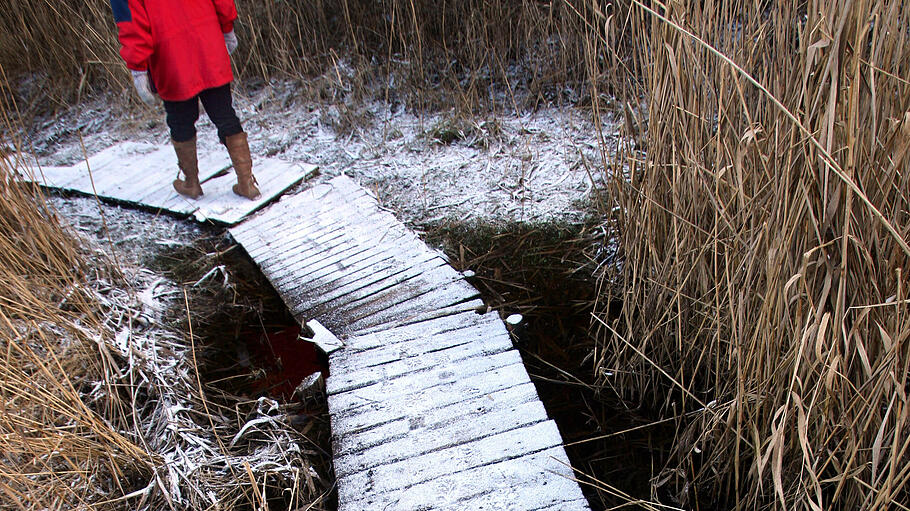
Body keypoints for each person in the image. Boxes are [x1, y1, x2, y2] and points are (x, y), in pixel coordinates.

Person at [109, 0, 260, 200]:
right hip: (208, 42)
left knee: (180, 120)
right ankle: (247, 183)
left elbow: (131, 23)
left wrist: (138, 69)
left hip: (171, 55)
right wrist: (227, 28)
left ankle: (191, 183)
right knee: (224, 113)